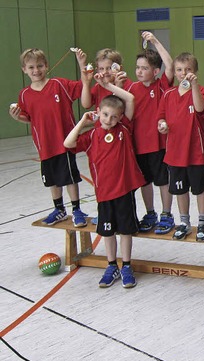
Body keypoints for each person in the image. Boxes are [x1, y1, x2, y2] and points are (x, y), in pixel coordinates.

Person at [64, 76, 145, 288]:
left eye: (114, 116)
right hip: (104, 193)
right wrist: (83, 121)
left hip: (124, 191)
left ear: (120, 118)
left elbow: (130, 99)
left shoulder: (124, 130)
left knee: (125, 231)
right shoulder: (91, 135)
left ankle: (126, 265)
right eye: (105, 114)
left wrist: (107, 87)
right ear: (98, 112)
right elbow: (68, 142)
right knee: (108, 232)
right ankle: (112, 266)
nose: (109, 119)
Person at [9, 48, 88, 227]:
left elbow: (83, 85)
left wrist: (82, 64)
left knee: (69, 178)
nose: (36, 70)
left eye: (39, 66)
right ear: (24, 69)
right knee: (52, 180)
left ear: (46, 66)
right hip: (44, 146)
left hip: (64, 142)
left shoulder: (59, 85)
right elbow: (27, 117)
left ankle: (76, 210)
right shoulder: (24, 95)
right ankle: (59, 209)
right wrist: (16, 117)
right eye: (31, 67)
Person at [157, 52, 204, 242]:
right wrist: (162, 125)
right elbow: (161, 117)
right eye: (179, 70)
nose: (183, 73)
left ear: (195, 72)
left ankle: (203, 222)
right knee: (180, 190)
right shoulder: (168, 94)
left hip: (196, 153)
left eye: (188, 70)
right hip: (174, 154)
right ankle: (184, 222)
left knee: (200, 188)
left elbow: (199, 108)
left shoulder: (201, 90)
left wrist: (194, 86)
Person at [126, 31, 175, 234]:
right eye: (137, 67)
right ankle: (150, 212)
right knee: (145, 181)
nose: (139, 71)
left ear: (155, 71)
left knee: (163, 181)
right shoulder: (131, 89)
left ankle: (166, 214)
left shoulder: (162, 85)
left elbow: (170, 65)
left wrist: (155, 41)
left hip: (159, 145)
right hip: (139, 146)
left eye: (144, 68)